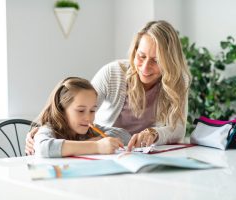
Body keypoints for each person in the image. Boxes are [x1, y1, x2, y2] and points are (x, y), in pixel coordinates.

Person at [26, 20, 191, 155]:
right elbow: (74, 108)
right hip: (108, 153)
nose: (145, 68)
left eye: (156, 61)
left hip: (141, 153)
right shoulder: (113, 74)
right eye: (141, 56)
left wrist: (153, 133)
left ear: (169, 62)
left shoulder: (178, 81)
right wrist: (42, 128)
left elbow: (178, 130)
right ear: (134, 52)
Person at [32, 77, 131, 157]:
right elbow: (43, 148)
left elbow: (125, 135)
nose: (88, 118)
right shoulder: (50, 129)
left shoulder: (89, 129)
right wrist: (96, 146)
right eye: (80, 110)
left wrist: (99, 139)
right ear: (61, 109)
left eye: (92, 110)